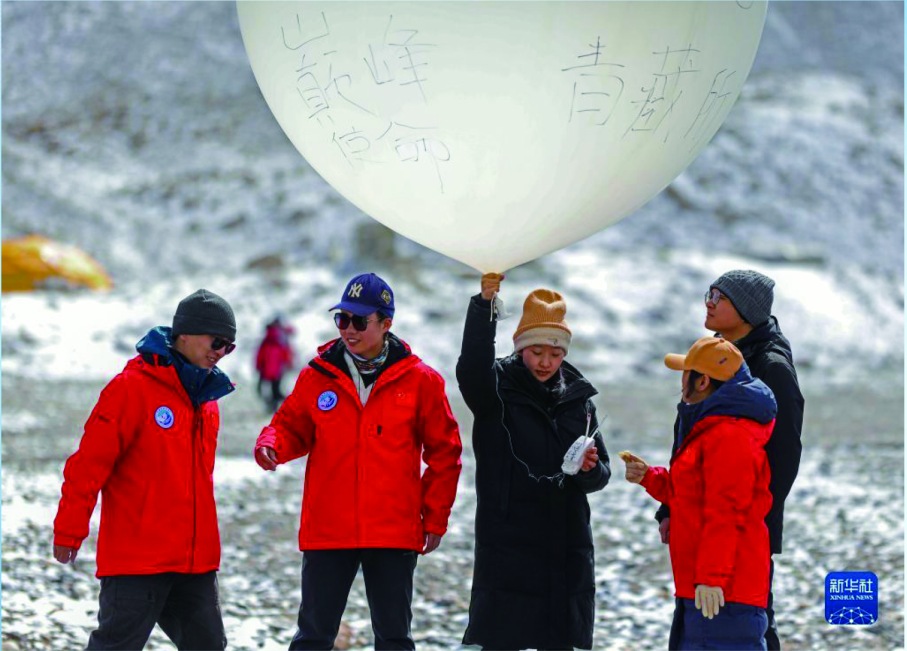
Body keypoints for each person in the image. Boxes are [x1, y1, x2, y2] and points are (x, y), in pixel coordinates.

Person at [253, 272, 463, 651]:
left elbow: (445, 452)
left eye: (359, 321)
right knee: (314, 635)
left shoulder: (422, 382)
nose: (348, 329)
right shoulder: (316, 376)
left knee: (395, 637)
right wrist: (272, 445)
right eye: (342, 318)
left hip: (393, 528)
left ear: (386, 323)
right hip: (328, 526)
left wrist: (435, 517)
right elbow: (290, 426)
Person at [52, 288, 237, 651]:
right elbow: (88, 466)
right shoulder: (130, 390)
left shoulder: (208, 401)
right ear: (184, 334)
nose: (221, 352)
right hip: (137, 560)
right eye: (216, 341)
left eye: (228, 346)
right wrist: (69, 529)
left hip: (194, 562)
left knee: (209, 645)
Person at [457, 273, 611, 651]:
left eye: (556, 353)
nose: (546, 361)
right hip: (508, 538)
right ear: (520, 347)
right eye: (537, 351)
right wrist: (483, 307)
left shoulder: (579, 399)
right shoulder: (495, 388)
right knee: (500, 638)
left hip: (564, 542)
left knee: (558, 640)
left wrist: (591, 469)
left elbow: (602, 473)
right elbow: (471, 366)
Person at [655, 269, 804, 649]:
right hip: (703, 519)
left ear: (746, 311)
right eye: (710, 293)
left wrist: (751, 518)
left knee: (745, 621)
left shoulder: (771, 366)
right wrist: (670, 507)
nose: (708, 301)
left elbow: (784, 453)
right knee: (703, 622)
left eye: (719, 297)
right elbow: (687, 435)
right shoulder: (714, 354)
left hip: (741, 523)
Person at [623, 336, 777, 650]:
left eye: (686, 373)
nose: (681, 382)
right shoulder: (712, 427)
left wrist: (711, 578)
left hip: (723, 593)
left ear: (703, 381)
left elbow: (726, 511)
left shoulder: (729, 435)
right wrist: (649, 477)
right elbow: (694, 493)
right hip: (706, 588)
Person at [255, 315, 296, 412]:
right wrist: (289, 363)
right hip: (276, 370)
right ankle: (283, 404)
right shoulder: (282, 339)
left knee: (265, 390)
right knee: (275, 390)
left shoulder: (268, 339)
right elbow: (287, 353)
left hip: (266, 369)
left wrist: (258, 365)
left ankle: (274, 406)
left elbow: (260, 354)